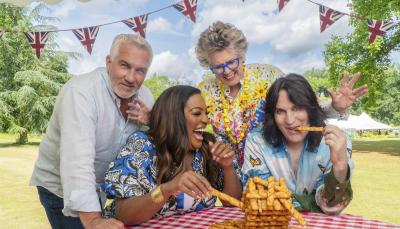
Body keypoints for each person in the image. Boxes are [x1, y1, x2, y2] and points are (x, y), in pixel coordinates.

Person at [196, 21, 368, 165]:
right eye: (218, 67)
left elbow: (305, 110)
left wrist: (335, 107)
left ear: (242, 55)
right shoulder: (204, 90)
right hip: (228, 172)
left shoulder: (268, 75)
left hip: (271, 169)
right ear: (208, 65)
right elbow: (190, 125)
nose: (226, 71)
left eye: (231, 62)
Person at [30, 34, 155, 229]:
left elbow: (155, 148)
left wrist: (152, 122)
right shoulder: (81, 92)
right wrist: (93, 220)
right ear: (108, 62)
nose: (131, 77)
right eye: (124, 65)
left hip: (99, 187)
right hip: (59, 189)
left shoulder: (146, 97)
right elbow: (77, 161)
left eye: (140, 71)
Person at [101, 85, 242, 225]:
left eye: (206, 113)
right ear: (174, 117)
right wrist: (167, 189)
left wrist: (227, 167)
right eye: (197, 113)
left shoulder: (207, 147)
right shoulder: (142, 145)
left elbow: (231, 202)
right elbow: (123, 215)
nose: (206, 119)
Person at [242, 74, 353, 215]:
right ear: (272, 115)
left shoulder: (339, 143)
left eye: (297, 108)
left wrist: (340, 166)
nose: (289, 120)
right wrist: (309, 202)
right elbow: (258, 196)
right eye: (280, 111)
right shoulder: (257, 141)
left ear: (311, 109)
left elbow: (331, 206)